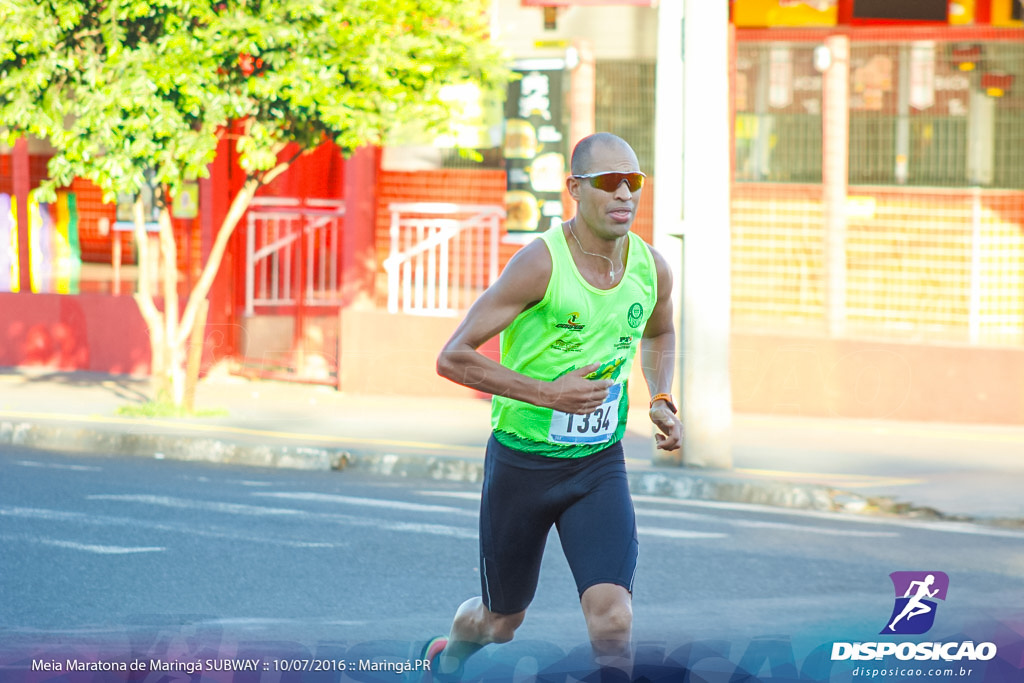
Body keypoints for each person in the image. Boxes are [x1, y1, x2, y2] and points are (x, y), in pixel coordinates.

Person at [428, 132, 682, 679]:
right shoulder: (539, 264)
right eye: (609, 183)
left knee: (612, 617)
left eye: (633, 182)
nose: (624, 195)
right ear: (574, 188)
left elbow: (660, 334)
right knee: (500, 622)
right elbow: (453, 357)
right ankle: (449, 654)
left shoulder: (652, 268)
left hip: (597, 464)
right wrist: (547, 393)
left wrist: (660, 396)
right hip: (522, 463)